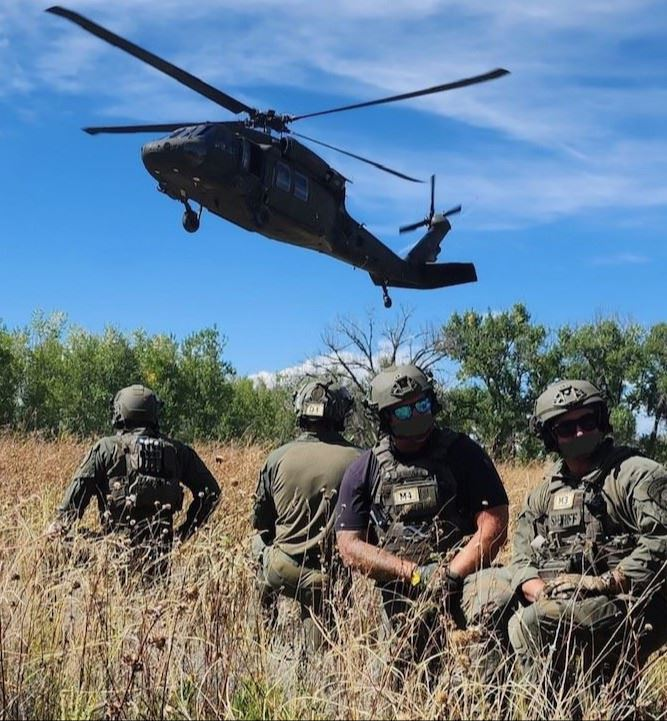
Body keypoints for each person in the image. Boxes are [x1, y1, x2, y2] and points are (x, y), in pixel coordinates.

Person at [335, 363, 510, 676]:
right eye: (403, 412)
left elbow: (494, 524)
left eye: (421, 406)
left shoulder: (464, 453)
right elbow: (349, 546)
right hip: (399, 593)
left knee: (474, 674)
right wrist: (414, 574)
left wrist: (450, 575)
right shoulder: (364, 469)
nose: (415, 416)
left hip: (464, 585)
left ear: (433, 402)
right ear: (385, 417)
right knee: (400, 680)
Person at [508, 379, 667, 688]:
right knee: (499, 604)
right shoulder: (544, 494)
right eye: (566, 429)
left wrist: (599, 583)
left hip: (635, 602)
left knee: (531, 624)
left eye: (586, 421)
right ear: (550, 437)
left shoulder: (636, 474)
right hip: (566, 600)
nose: (579, 432)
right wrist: (540, 591)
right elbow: (521, 556)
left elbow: (662, 541)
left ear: (601, 421)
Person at [47, 384, 221, 577]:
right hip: (160, 558)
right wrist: (184, 533)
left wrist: (59, 530)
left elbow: (74, 501)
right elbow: (211, 493)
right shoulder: (178, 451)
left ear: (119, 412)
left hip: (114, 556)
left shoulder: (105, 449)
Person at [251, 378, 361, 653]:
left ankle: (260, 634)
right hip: (331, 577)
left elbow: (260, 523)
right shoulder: (360, 459)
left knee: (258, 547)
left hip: (281, 569)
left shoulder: (277, 458)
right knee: (321, 654)